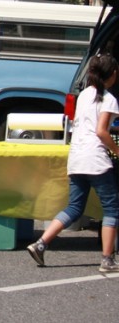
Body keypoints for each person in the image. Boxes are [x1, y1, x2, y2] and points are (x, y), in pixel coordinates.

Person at [26, 53, 119, 272]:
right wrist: (116, 150)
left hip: (76, 158)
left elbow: (88, 125)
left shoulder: (85, 95)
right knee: (112, 209)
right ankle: (107, 259)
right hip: (96, 160)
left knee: (75, 207)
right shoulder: (108, 99)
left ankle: (41, 244)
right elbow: (101, 131)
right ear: (113, 74)